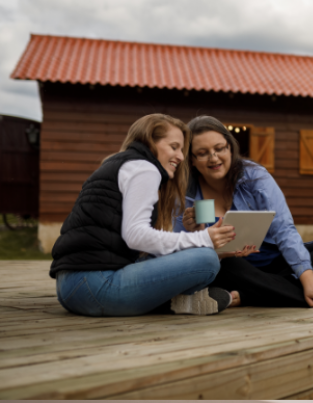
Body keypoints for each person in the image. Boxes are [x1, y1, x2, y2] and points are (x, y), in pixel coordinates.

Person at [50, 114, 237, 317]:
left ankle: (172, 303)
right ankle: (171, 303)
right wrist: (204, 238)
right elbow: (136, 235)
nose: (181, 157)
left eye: (182, 149)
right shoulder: (144, 169)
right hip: (95, 286)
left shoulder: (119, 164)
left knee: (173, 255)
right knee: (207, 259)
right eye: (174, 147)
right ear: (149, 142)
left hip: (70, 287)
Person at [175, 115, 313, 308]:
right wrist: (198, 234)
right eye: (202, 153)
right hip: (230, 269)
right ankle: (299, 295)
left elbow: (284, 228)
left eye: (219, 148)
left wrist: (308, 278)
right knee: (221, 262)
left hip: (274, 262)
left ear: (230, 147)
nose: (214, 158)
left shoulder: (254, 176)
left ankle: (248, 295)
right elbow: (182, 260)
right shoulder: (184, 195)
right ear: (191, 159)